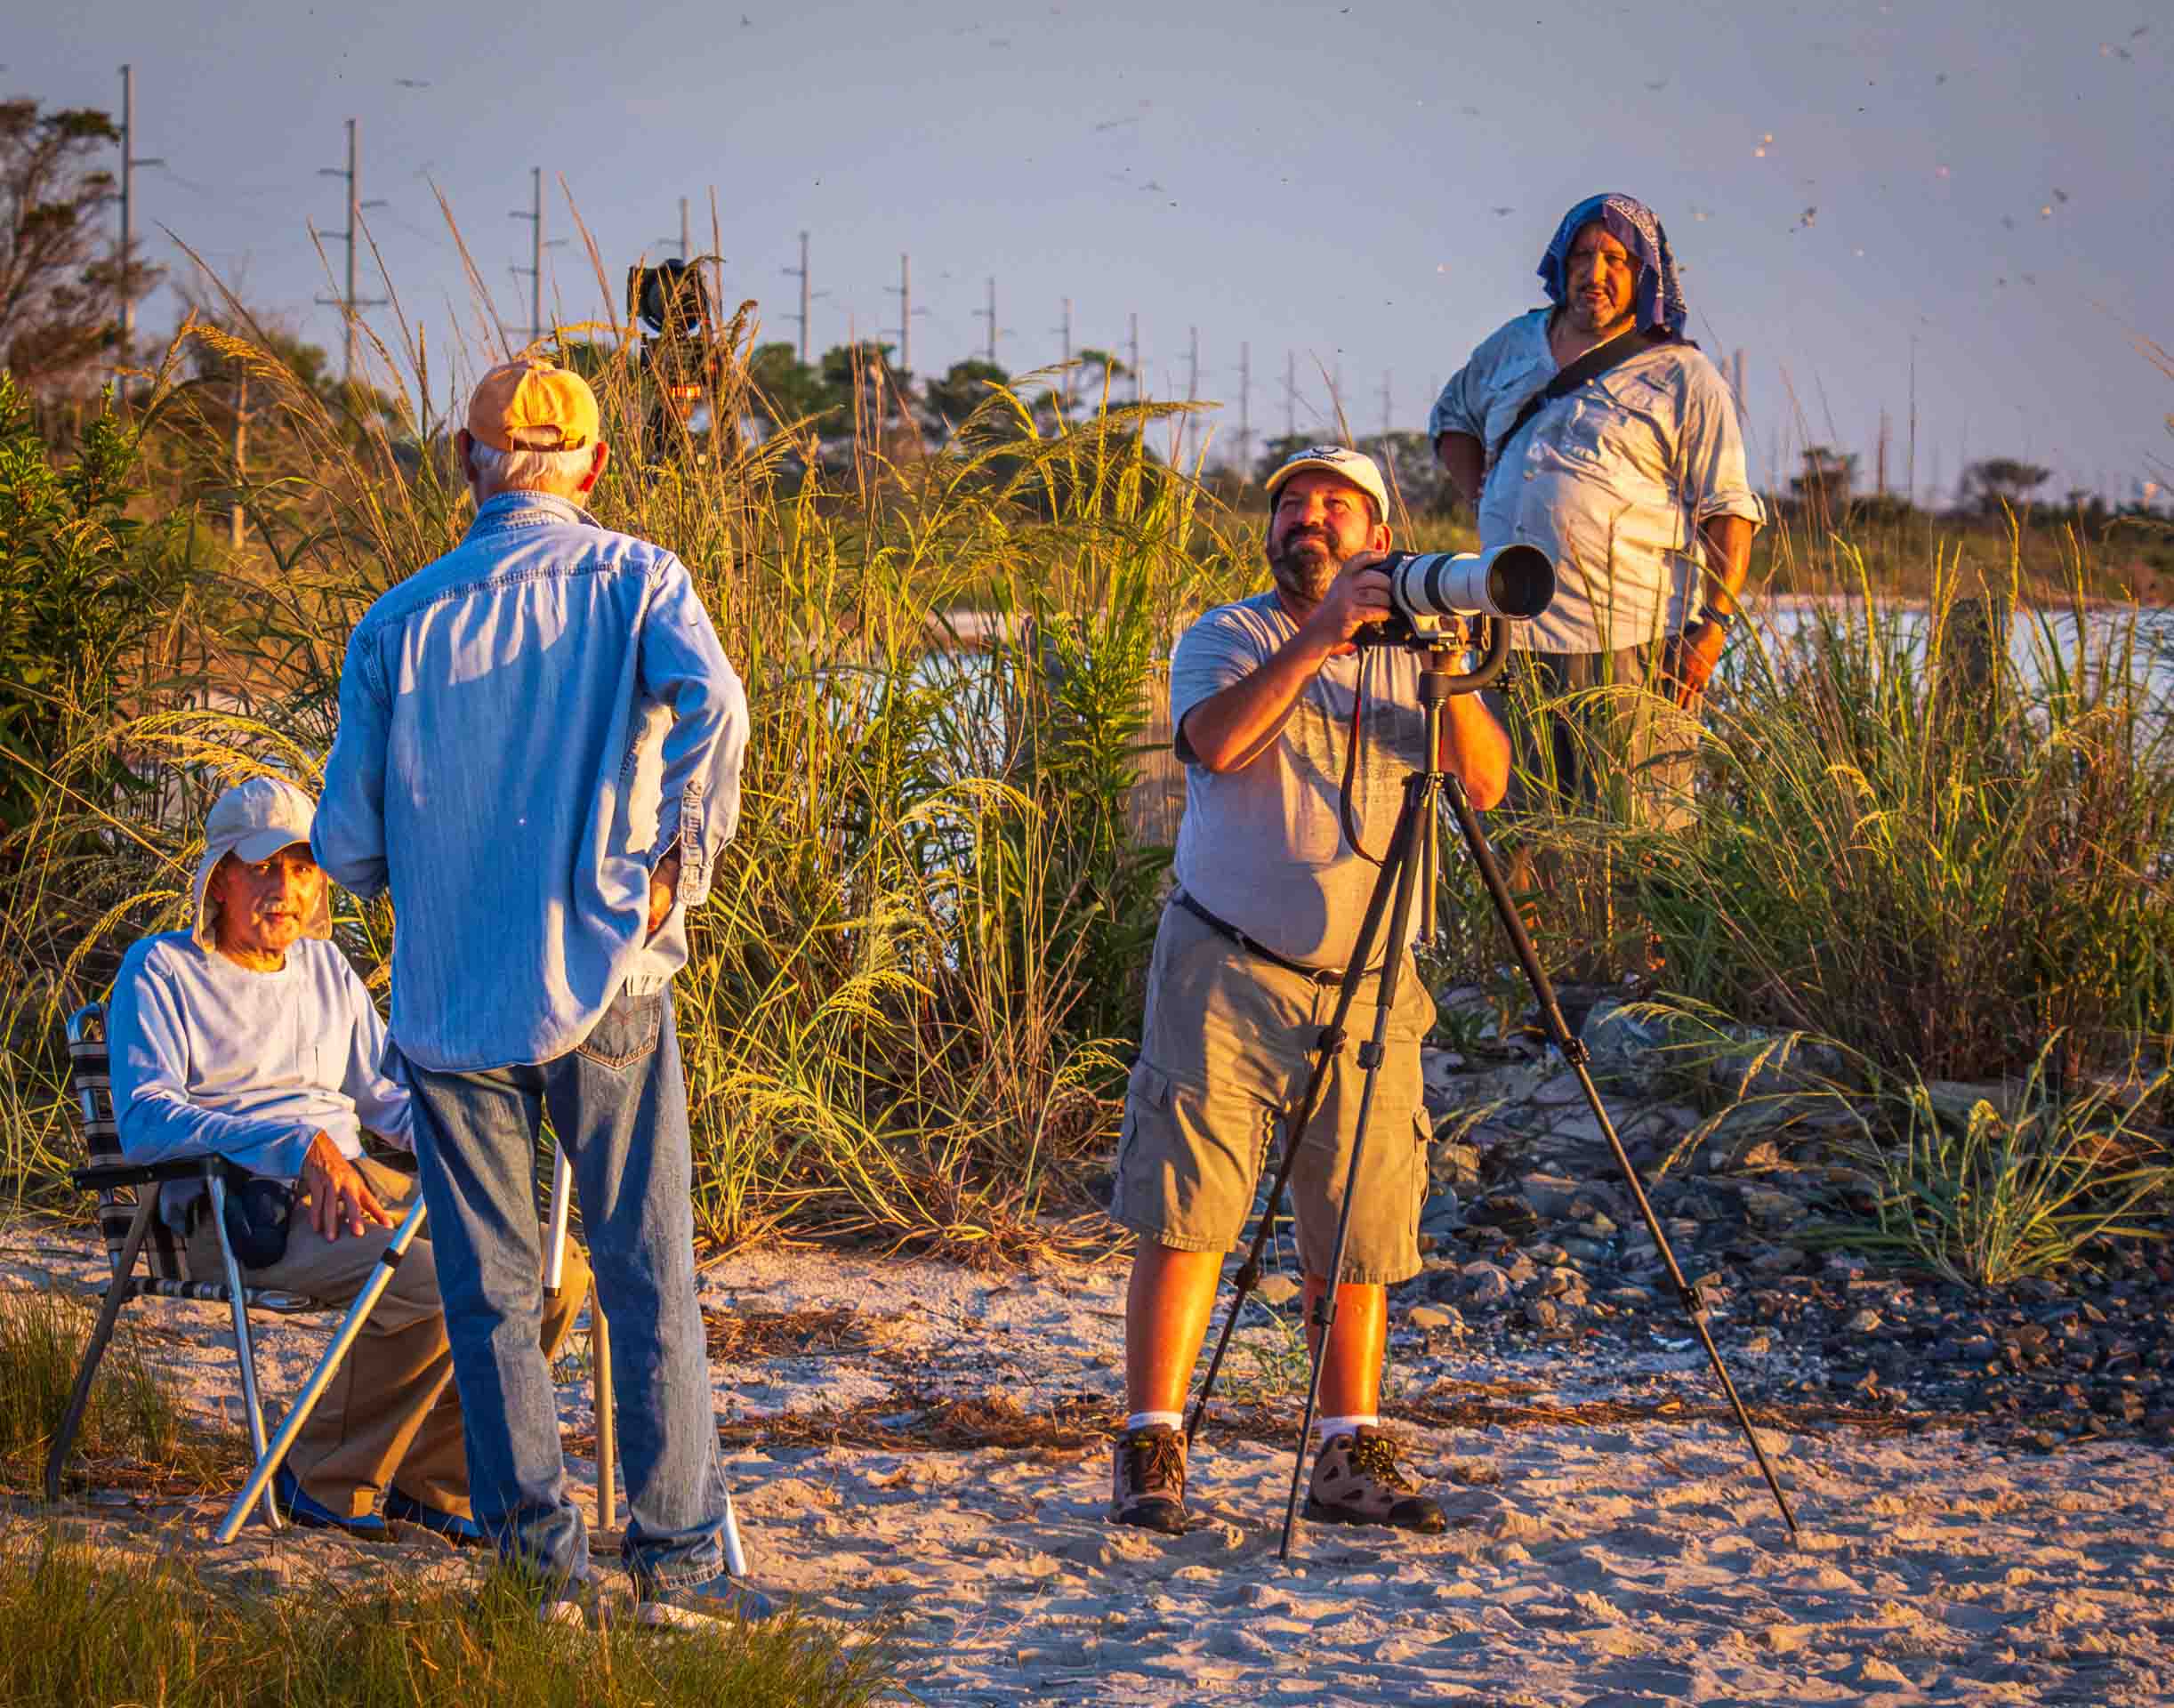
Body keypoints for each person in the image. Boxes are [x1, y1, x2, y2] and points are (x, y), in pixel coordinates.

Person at [314, 358, 756, 1626]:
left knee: (493, 1293)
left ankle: (534, 1568)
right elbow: (716, 707)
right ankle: (672, 1561)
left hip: (453, 995)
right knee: (645, 1272)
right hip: (606, 970)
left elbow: (346, 847)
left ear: (467, 462)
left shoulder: (395, 623)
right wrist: (674, 870)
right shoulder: (637, 578)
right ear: (597, 469)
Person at [1107, 446, 1510, 1536]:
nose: (1308, 520)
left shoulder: (1421, 651)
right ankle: (1153, 1442)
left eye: (1336, 507)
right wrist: (1323, 632)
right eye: (1291, 505)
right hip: (1224, 964)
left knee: (1359, 1222)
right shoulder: (1227, 636)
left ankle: (1345, 1453)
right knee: (1187, 1210)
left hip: (1376, 982)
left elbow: (1482, 780)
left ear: (1379, 538)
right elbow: (1219, 745)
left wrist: (1447, 665)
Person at [108, 774, 590, 1543]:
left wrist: (485, 1123)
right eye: (264, 866)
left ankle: (435, 1478)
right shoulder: (163, 971)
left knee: (556, 1274)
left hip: (352, 1185)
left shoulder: (325, 971)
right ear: (222, 875)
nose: (285, 888)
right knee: (435, 1289)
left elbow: (386, 1097)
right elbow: (146, 1120)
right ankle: (320, 1471)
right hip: (234, 1204)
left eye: (302, 868)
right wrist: (297, 1147)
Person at [1429, 192, 1764, 826]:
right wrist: (1484, 500)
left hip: (1631, 640)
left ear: (1645, 275)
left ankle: (1622, 931)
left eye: (1615, 258)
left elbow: (1729, 512)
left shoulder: (1683, 376)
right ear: (1561, 264)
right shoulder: (1514, 344)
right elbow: (1453, 420)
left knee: (1637, 829)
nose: (1595, 273)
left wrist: (1712, 630)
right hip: (1509, 631)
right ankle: (1527, 929)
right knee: (1515, 821)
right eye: (1582, 255)